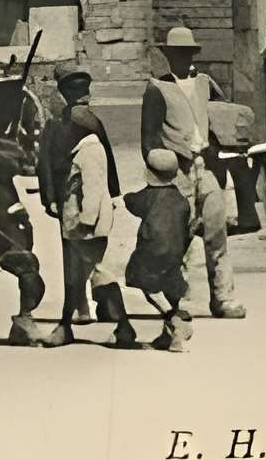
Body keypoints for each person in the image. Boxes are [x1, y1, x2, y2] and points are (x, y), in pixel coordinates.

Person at [140, 24, 246, 320]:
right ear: (168, 56)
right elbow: (147, 138)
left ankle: (223, 298)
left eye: (187, 53)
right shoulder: (157, 88)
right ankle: (179, 300)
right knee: (178, 237)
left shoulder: (204, 83)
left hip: (206, 166)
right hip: (176, 171)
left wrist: (222, 149)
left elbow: (218, 118)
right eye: (177, 54)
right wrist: (160, 169)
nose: (183, 59)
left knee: (216, 232)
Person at [37, 59, 120, 328]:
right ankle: (103, 306)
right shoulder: (93, 121)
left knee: (71, 252)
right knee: (97, 251)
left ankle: (80, 307)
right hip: (91, 195)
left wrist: (48, 197)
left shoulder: (54, 125)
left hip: (67, 197)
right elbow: (108, 160)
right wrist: (113, 195)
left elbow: (45, 165)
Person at [59, 102, 136, 348]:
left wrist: (85, 222)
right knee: (79, 276)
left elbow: (92, 191)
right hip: (82, 227)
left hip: (86, 229)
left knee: (99, 275)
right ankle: (65, 327)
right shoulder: (86, 149)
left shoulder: (89, 152)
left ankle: (123, 326)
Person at [0, 117, 50, 346]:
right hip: (5, 237)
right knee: (30, 273)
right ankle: (24, 320)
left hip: (5, 232)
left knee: (30, 271)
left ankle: (22, 323)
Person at [123, 149, 192, 351]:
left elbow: (132, 202)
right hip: (175, 252)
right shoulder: (180, 199)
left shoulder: (148, 196)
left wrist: (125, 197)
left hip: (151, 250)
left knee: (148, 287)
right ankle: (170, 338)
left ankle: (174, 320)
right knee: (171, 290)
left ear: (149, 173)